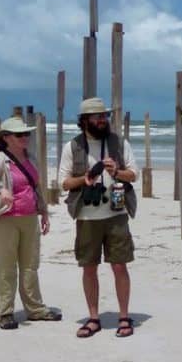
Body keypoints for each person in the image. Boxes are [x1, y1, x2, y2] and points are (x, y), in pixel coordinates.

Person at [59, 97, 138, 338]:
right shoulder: (72, 147)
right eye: (97, 117)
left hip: (117, 213)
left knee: (119, 265)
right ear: (84, 121)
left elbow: (133, 175)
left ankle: (124, 316)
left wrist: (117, 172)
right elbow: (63, 182)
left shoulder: (119, 143)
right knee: (89, 267)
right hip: (87, 215)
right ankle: (93, 318)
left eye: (104, 116)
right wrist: (84, 180)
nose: (102, 120)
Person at [0, 116, 61, 329]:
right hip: (4, 220)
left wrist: (44, 212)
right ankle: (4, 313)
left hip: (29, 219)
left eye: (26, 133)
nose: (25, 138)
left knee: (31, 266)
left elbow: (36, 188)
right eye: (19, 134)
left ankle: (35, 309)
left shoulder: (30, 158)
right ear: (7, 138)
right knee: (6, 267)